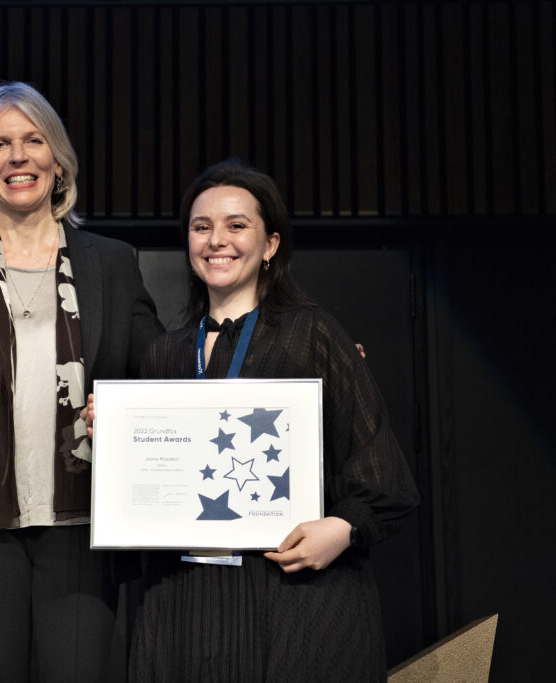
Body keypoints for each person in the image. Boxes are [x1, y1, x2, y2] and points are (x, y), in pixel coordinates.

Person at [87, 159, 419, 681]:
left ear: (270, 245)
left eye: (236, 225)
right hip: (185, 605)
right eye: (202, 227)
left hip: (295, 600)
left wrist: (340, 529)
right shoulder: (165, 356)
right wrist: (114, 442)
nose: (217, 240)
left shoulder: (314, 336)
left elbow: (386, 481)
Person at [0, 82, 163, 682]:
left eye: (34, 141)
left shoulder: (111, 262)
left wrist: (271, 343)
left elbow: (162, 367)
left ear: (58, 161)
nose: (18, 157)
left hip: (84, 525)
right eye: (0, 145)